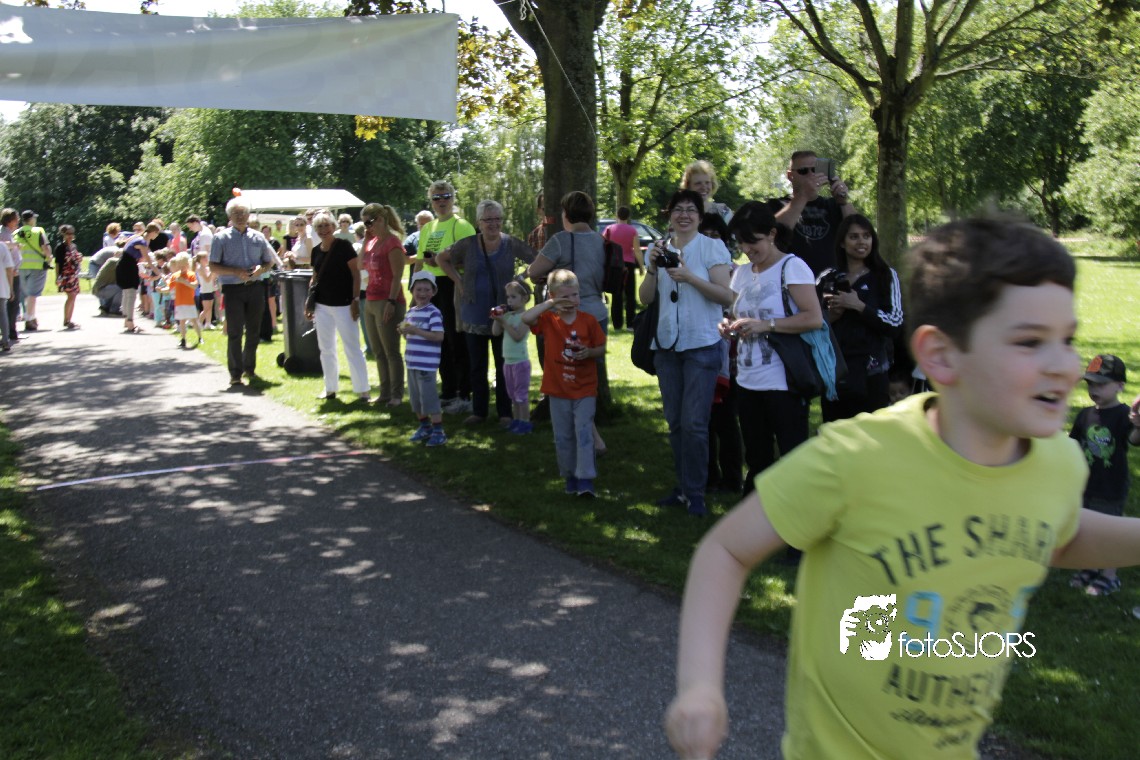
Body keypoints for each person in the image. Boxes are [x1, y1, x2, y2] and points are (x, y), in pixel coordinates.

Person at [663, 216, 1140, 760]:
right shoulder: (859, 457)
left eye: (1067, 339)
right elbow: (726, 550)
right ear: (941, 356)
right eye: (1030, 341)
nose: (1064, 366)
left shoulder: (1057, 464)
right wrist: (700, 688)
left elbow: (1055, 533)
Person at [638, 190, 734, 517]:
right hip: (667, 347)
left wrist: (690, 277)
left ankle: (696, 493)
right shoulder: (659, 247)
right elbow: (645, 298)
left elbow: (726, 296)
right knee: (676, 423)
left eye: (691, 210)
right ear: (669, 215)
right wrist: (652, 268)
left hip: (702, 345)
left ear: (700, 216)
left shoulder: (712, 247)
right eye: (677, 209)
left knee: (694, 423)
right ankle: (683, 489)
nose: (684, 215)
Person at [723, 201, 823, 499]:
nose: (746, 249)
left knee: (793, 458)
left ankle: (799, 522)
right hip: (747, 379)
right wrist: (727, 325)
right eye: (740, 242)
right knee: (757, 459)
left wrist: (766, 325)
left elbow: (813, 318)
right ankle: (758, 519)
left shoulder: (792, 267)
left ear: (771, 234)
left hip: (783, 381)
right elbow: (735, 313)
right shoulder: (742, 273)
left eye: (752, 241)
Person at [437, 199, 537, 426]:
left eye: (497, 219)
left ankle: (505, 412)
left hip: (504, 313)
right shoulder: (468, 244)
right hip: (473, 311)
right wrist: (458, 280)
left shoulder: (510, 243)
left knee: (504, 364)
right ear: (479, 222)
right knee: (477, 365)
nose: (493, 224)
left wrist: (521, 277)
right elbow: (441, 258)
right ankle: (479, 411)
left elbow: (537, 258)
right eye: (488, 219)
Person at [527, 190, 611, 451]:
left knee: (568, 380)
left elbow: (533, 272)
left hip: (570, 318)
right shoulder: (601, 240)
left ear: (566, 214)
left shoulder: (561, 240)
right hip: (598, 313)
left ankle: (590, 438)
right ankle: (590, 435)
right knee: (586, 379)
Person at [521, 269, 606, 497]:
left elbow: (601, 348)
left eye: (575, 295)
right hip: (557, 390)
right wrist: (550, 304)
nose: (571, 300)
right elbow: (526, 318)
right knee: (563, 436)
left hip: (585, 389)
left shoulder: (588, 321)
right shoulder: (549, 320)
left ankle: (586, 480)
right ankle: (570, 476)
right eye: (564, 296)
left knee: (584, 432)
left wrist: (588, 352)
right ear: (553, 296)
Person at [1067, 355, 1140, 596]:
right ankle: (1089, 568)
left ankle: (1110, 576)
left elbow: (1134, 440)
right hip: (1085, 485)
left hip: (1111, 486)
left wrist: (1138, 425)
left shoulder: (1124, 415)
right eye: (1090, 383)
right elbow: (1074, 445)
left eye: (1101, 384)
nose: (1094, 389)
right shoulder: (1085, 415)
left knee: (1110, 533)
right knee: (1087, 529)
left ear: (1120, 385)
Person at [821, 214, 904, 422]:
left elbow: (895, 323)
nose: (861, 242)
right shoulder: (828, 277)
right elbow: (812, 323)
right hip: (835, 371)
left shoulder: (885, 275)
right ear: (842, 242)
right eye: (854, 237)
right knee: (836, 434)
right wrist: (832, 315)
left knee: (871, 435)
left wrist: (859, 306)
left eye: (866, 236)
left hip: (872, 373)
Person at [414, 180, 476, 413]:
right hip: (430, 287)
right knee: (437, 340)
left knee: (456, 339)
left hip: (453, 285)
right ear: (431, 201)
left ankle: (465, 392)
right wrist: (415, 290)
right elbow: (420, 261)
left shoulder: (461, 225)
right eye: (436, 198)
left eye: (446, 196)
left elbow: (472, 259)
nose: (441, 202)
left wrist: (443, 261)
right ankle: (448, 390)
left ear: (453, 198)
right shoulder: (428, 228)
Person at [209, 197, 276, 387]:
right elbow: (213, 266)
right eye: (236, 213)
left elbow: (268, 262)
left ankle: (249, 368)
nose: (240, 216)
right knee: (235, 331)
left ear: (248, 215)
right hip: (233, 289)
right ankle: (235, 373)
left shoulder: (258, 237)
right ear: (230, 216)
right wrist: (235, 271)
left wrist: (261, 269)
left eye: (243, 213)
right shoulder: (221, 238)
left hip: (255, 288)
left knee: (254, 331)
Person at [698, 212, 742, 495]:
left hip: (731, 355)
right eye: (707, 236)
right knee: (703, 418)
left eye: (717, 236)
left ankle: (732, 478)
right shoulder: (692, 271)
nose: (712, 241)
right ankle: (708, 476)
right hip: (700, 350)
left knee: (726, 419)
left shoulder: (737, 272)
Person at [306, 212, 370, 403]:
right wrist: (309, 301)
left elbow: (356, 274)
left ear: (333, 227)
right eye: (319, 226)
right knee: (326, 348)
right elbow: (315, 277)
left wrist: (356, 299)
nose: (323, 230)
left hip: (344, 304)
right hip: (322, 305)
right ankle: (330, 388)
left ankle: (363, 390)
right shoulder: (316, 251)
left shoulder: (344, 246)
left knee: (352, 347)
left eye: (326, 225)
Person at [774, 150, 856, 275]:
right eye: (803, 171)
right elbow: (774, 233)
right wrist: (803, 195)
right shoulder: (777, 205)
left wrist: (843, 202)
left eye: (814, 170)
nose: (810, 175)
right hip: (792, 279)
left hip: (831, 280)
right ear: (790, 176)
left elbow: (858, 231)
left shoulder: (833, 205)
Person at [360, 203, 407, 407]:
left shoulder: (392, 242)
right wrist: (365, 240)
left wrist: (391, 302)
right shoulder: (372, 242)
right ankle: (384, 392)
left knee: (391, 351)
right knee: (377, 351)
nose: (367, 227)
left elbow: (397, 275)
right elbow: (360, 263)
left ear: (380, 219)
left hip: (388, 301)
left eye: (368, 223)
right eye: (364, 224)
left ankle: (397, 394)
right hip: (370, 300)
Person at [399, 270, 448, 447]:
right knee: (416, 399)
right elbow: (409, 336)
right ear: (412, 291)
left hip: (426, 365)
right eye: (418, 289)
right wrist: (404, 331)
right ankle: (425, 426)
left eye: (427, 289)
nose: (422, 293)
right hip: (412, 362)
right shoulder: (411, 312)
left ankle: (439, 432)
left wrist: (415, 330)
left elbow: (439, 336)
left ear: (433, 292)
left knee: (429, 399)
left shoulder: (433, 313)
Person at [492, 279, 535, 434]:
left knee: (521, 395)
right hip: (508, 362)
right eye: (508, 297)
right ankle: (516, 420)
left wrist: (504, 322)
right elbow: (495, 332)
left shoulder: (526, 317)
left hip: (520, 362)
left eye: (513, 297)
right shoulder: (508, 315)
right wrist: (497, 319)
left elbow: (518, 336)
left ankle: (525, 422)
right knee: (512, 394)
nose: (509, 300)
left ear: (524, 298)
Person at [601, 205, 643, 331]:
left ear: (617, 215)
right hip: (629, 264)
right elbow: (637, 250)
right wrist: (641, 266)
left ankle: (617, 323)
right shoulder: (632, 230)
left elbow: (603, 245)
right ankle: (630, 323)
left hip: (615, 265)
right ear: (628, 216)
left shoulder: (609, 229)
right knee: (630, 294)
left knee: (616, 293)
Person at [116, 223, 159, 333]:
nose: (157, 235)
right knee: (131, 295)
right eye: (157, 233)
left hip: (124, 266)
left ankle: (127, 321)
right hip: (128, 268)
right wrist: (160, 273)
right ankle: (130, 323)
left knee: (127, 294)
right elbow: (148, 260)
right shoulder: (142, 242)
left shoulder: (137, 238)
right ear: (152, 232)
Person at [14, 210, 50, 332]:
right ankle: (29, 319)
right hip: (37, 266)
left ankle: (31, 316)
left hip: (21, 267)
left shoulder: (16, 232)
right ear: (31, 219)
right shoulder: (38, 231)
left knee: (26, 294)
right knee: (33, 294)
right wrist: (49, 258)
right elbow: (45, 247)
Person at [165, 252, 202, 349]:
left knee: (194, 321)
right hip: (179, 303)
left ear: (187, 264)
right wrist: (161, 290)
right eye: (179, 265)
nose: (181, 268)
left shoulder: (191, 274)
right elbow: (169, 288)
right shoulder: (175, 276)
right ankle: (183, 339)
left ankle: (200, 337)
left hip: (189, 302)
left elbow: (195, 286)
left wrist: (184, 281)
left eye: (183, 265)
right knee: (182, 322)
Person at [53, 224, 83, 330]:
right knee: (71, 295)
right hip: (65, 275)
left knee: (73, 296)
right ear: (63, 234)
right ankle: (66, 320)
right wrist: (57, 277)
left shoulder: (74, 246)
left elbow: (76, 259)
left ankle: (69, 320)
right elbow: (57, 264)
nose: (70, 236)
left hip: (73, 275)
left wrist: (79, 259)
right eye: (68, 234)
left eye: (72, 233)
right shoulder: (60, 248)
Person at [1, 209, 22, 344]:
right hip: (10, 272)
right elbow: (3, 247)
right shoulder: (3, 233)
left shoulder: (8, 233)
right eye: (16, 218)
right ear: (10, 220)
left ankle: (11, 330)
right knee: (11, 302)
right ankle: (9, 332)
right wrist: (15, 245)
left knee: (14, 303)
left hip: (13, 270)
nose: (18, 220)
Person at [92, 247, 123, 315]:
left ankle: (105, 307)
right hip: (100, 290)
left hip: (103, 288)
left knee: (118, 288)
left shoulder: (114, 263)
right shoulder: (112, 261)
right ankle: (114, 310)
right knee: (121, 288)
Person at [194, 252, 218, 330]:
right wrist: (212, 271)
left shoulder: (208, 268)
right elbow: (207, 279)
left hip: (210, 289)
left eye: (206, 257)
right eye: (204, 258)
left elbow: (212, 278)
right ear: (200, 260)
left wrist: (214, 273)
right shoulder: (200, 269)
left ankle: (208, 323)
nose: (206, 259)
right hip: (204, 291)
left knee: (210, 308)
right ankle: (199, 323)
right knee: (206, 308)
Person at [0, 231, 13, 352]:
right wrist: (11, 288)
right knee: (2, 314)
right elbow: (9, 269)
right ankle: (5, 340)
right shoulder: (2, 247)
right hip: (1, 287)